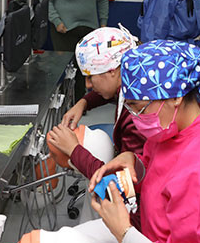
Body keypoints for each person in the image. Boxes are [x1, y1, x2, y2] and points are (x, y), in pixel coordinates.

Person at [87, 40, 200, 243]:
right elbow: (161, 174)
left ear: (175, 97)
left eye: (138, 107)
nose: (135, 117)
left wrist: (125, 234)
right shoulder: (172, 129)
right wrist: (135, 164)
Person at [47, 26, 145, 232]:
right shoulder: (132, 82)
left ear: (112, 70)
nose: (88, 84)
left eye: (91, 77)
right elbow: (106, 90)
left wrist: (75, 151)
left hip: (137, 214)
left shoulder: (137, 114)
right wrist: (83, 103)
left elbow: (122, 187)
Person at [48, 0, 109, 99]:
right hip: (63, 29)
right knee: (63, 68)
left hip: (89, 30)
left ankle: (81, 102)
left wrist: (103, 24)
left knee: (85, 68)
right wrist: (56, 21)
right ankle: (61, 102)